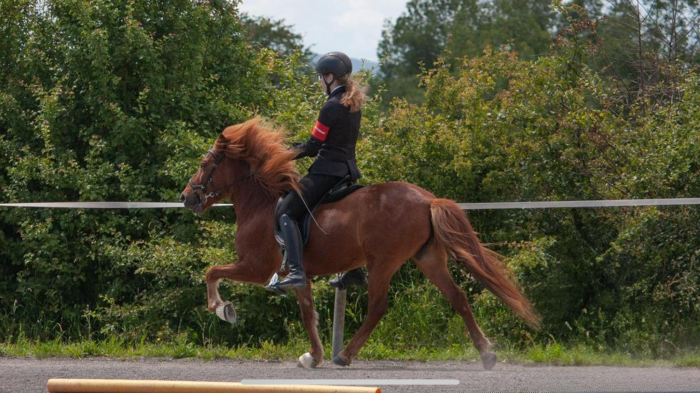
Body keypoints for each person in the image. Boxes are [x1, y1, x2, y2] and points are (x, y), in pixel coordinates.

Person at [267, 52, 368, 291]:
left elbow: (313, 147)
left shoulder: (331, 106)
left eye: (321, 78)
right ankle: (354, 271)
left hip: (327, 172)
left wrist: (282, 154)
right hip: (348, 171)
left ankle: (296, 272)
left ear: (330, 77)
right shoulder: (352, 102)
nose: (320, 82)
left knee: (286, 212)